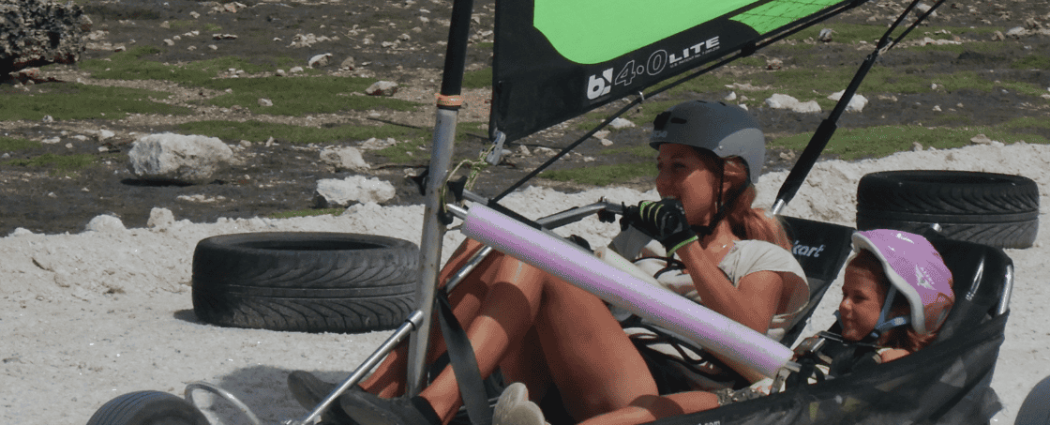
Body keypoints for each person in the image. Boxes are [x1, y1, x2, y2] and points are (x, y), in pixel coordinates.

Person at [287, 100, 808, 425]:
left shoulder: (763, 257)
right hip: (576, 374)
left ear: (730, 178)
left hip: (656, 395)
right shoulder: (642, 242)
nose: (662, 183)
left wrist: (685, 250)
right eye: (658, 167)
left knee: (537, 255)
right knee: (492, 245)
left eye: (680, 168)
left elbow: (750, 339)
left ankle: (430, 409)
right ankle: (381, 389)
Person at [795, 228, 955, 380]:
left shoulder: (892, 361)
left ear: (901, 310)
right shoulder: (827, 346)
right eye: (844, 294)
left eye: (858, 298)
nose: (843, 305)